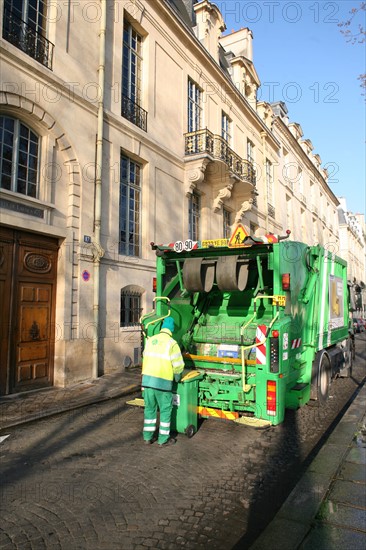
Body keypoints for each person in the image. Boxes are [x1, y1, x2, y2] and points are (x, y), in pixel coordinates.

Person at [141, 316, 184, 446]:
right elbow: (178, 365)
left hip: (147, 382)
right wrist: (178, 378)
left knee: (149, 409)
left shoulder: (150, 340)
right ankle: (162, 440)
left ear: (162, 328)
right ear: (171, 329)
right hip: (163, 384)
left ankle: (147, 437)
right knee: (165, 411)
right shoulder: (172, 343)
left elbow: (145, 359)